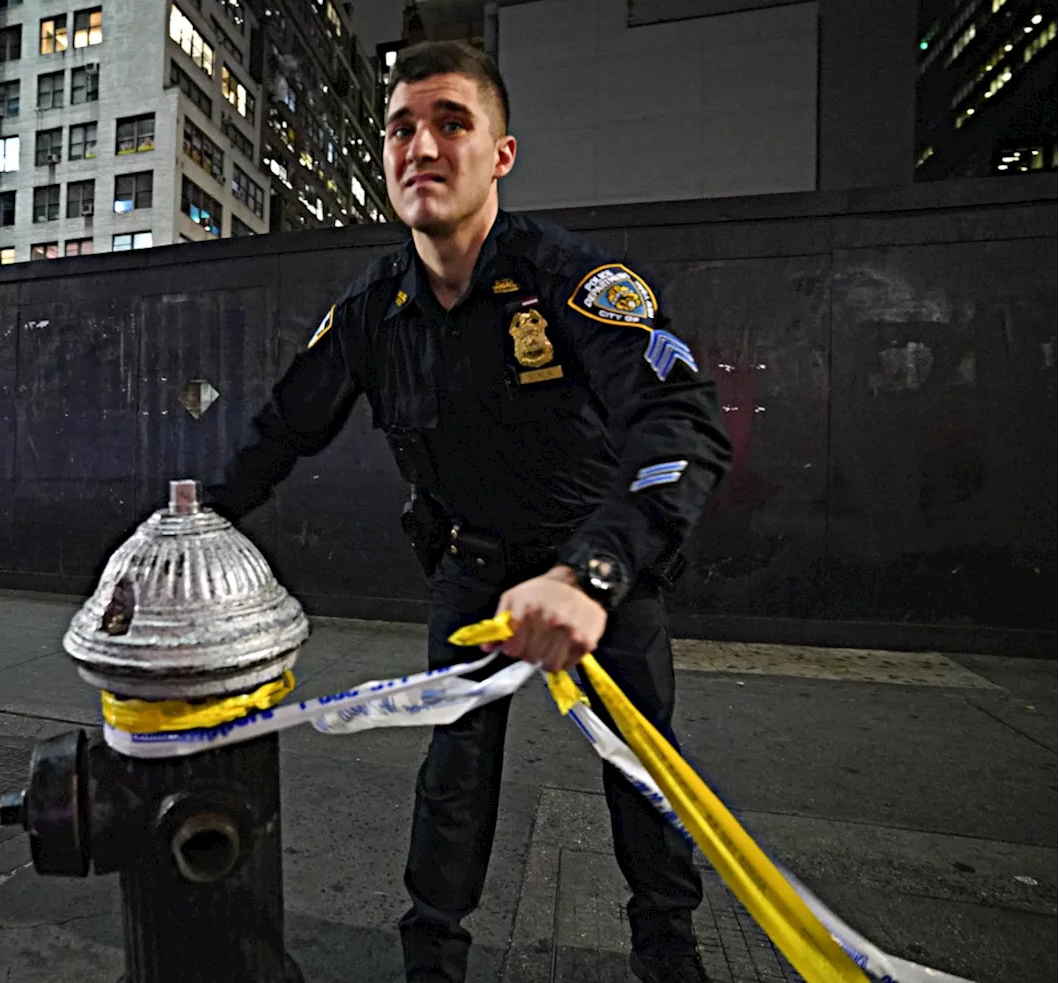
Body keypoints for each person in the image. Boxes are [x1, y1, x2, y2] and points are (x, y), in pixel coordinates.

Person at [203, 40, 731, 983]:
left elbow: (682, 422)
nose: (424, 146)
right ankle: (432, 965)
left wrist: (594, 575)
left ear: (501, 154)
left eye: (453, 123)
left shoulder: (568, 276)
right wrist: (190, 525)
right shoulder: (374, 308)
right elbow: (282, 429)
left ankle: (671, 957)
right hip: (473, 571)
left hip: (597, 571)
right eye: (402, 127)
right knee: (454, 777)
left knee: (644, 778)